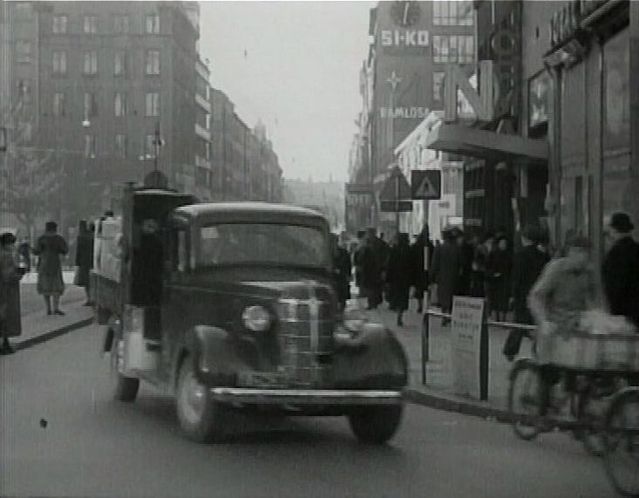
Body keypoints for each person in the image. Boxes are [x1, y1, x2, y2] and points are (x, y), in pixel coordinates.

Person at [528, 236, 599, 418]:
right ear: (570, 253)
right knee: (549, 369)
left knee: (587, 366)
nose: (584, 258)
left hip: (577, 325)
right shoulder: (555, 269)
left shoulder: (589, 273)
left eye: (587, 254)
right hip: (554, 324)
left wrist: (600, 319)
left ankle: (575, 407)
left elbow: (597, 301)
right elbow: (536, 296)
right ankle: (541, 414)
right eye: (580, 253)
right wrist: (543, 321)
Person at [503, 226, 551, 361]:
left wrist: (512, 295)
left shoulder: (521, 255)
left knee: (519, 322)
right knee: (537, 323)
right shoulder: (543, 256)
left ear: (526, 239)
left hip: (523, 294)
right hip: (539, 294)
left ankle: (511, 349)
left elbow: (516, 277)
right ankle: (538, 349)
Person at [601, 212, 639, 328]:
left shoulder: (615, 254)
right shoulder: (636, 249)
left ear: (613, 231)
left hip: (624, 314)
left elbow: (614, 287)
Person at [33, 221, 68, 316]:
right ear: (55, 228)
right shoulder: (59, 239)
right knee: (56, 287)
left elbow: (36, 251)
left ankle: (48, 308)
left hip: (43, 264)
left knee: (45, 287)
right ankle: (56, 308)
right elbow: (65, 250)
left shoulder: (41, 239)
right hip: (55, 264)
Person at [430, 226, 462, 325]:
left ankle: (444, 316)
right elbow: (461, 263)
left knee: (443, 298)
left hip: (442, 277)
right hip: (454, 277)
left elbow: (435, 263)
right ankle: (450, 315)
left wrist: (432, 276)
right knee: (452, 297)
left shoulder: (440, 248)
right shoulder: (456, 248)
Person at [0, 231, 25, 354]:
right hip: (7, 290)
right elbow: (7, 275)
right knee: (6, 316)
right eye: (11, 243)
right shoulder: (6, 256)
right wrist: (19, 273)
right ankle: (4, 343)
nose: (13, 246)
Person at [386, 233, 413, 326]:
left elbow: (389, 264)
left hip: (395, 278)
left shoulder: (394, 250)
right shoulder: (409, 250)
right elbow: (413, 266)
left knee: (397, 296)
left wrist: (388, 278)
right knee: (403, 297)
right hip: (405, 278)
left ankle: (398, 312)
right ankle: (400, 314)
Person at [486, 235, 513, 322]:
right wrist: (493, 274)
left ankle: (503, 318)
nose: (503, 245)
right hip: (496, 281)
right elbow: (488, 267)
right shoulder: (493, 254)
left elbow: (511, 268)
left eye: (505, 243)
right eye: (502, 243)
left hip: (505, 280)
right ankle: (497, 318)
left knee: (504, 300)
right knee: (496, 300)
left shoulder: (509, 255)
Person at [411, 225, 434, 313]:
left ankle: (421, 305)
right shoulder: (429, 245)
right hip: (425, 270)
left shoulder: (417, 245)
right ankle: (424, 305)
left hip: (419, 270)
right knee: (425, 289)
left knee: (420, 289)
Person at [360, 228, 384, 310]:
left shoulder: (380, 243)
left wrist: (383, 268)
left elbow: (384, 255)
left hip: (376, 269)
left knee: (374, 287)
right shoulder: (365, 243)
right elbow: (361, 255)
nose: (369, 235)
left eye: (370, 233)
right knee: (370, 287)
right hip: (367, 269)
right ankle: (372, 302)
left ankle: (373, 302)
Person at [74, 220, 95, 306]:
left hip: (84, 261)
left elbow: (79, 251)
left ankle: (89, 299)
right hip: (94, 260)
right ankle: (93, 298)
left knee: (87, 282)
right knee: (92, 281)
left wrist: (77, 262)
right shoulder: (94, 236)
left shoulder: (81, 237)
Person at [330, 233, 351, 311]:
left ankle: (341, 309)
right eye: (331, 240)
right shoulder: (326, 253)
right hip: (331, 278)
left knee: (342, 296)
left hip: (342, 278)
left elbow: (348, 265)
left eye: (335, 240)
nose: (333, 242)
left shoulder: (344, 252)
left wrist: (348, 275)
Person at [469, 232, 494, 298]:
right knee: (480, 288)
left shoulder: (482, 247)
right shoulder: (482, 248)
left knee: (480, 288)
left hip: (481, 270)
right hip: (481, 271)